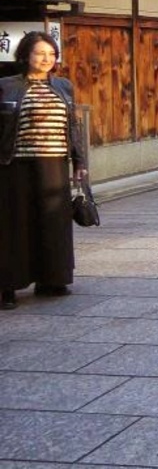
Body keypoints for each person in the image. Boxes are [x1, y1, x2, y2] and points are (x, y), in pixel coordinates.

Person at [0, 32, 87, 310]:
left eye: (51, 54)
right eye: (40, 54)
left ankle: (52, 279)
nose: (46, 59)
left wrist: (79, 162)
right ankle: (8, 287)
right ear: (25, 55)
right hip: (16, 165)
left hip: (54, 163)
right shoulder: (6, 86)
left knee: (53, 224)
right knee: (15, 225)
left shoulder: (63, 86)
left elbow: (72, 127)